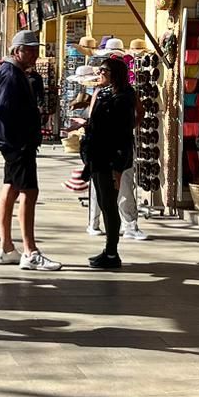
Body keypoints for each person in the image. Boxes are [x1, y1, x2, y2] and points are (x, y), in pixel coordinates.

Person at [0, 31, 62, 271]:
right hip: (18, 145)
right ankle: (30, 251)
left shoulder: (15, 73)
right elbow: (2, 112)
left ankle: (7, 247)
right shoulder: (11, 74)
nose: (34, 54)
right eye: (28, 49)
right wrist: (16, 144)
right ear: (16, 51)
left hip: (16, 145)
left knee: (10, 189)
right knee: (29, 192)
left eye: (35, 49)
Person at [82, 56, 136, 269]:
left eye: (104, 70)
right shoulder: (105, 93)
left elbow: (122, 131)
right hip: (98, 155)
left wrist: (117, 164)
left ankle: (112, 253)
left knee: (110, 203)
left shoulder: (123, 97)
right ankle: (109, 249)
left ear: (115, 74)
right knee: (105, 203)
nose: (100, 73)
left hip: (111, 158)